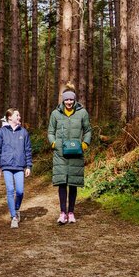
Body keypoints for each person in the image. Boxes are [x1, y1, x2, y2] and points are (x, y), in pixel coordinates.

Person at [47, 86, 91, 225]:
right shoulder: (55, 114)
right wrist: (54, 144)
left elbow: (88, 130)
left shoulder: (82, 113)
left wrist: (85, 144)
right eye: (67, 99)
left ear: (74, 99)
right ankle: (62, 213)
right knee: (62, 183)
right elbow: (50, 131)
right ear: (63, 100)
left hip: (76, 153)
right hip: (60, 154)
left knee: (73, 183)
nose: (69, 102)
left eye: (71, 99)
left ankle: (71, 212)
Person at [0, 108, 32, 229]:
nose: (19, 117)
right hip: (6, 166)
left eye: (19, 115)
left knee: (20, 191)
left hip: (20, 166)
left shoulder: (24, 132)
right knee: (10, 190)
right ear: (10, 117)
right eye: (17, 115)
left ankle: (16, 208)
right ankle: (13, 217)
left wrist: (28, 166)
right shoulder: (0, 132)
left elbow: (28, 150)